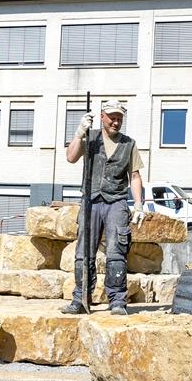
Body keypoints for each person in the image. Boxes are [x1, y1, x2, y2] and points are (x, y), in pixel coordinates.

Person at [60, 100, 145, 316]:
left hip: (116, 202)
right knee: (83, 254)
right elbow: (70, 157)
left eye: (119, 118)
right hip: (90, 201)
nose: (116, 122)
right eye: (112, 118)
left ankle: (117, 301)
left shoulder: (129, 144)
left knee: (117, 253)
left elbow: (134, 176)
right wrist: (79, 133)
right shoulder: (90, 138)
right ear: (102, 117)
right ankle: (80, 299)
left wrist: (138, 204)